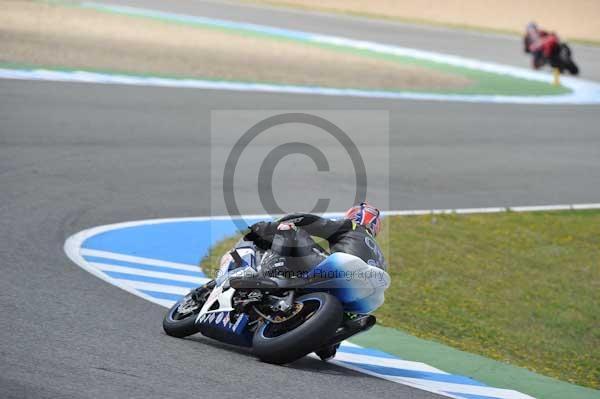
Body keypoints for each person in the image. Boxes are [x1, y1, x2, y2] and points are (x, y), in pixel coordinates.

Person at [243, 202, 385, 361]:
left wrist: (269, 227)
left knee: (290, 229)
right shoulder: (380, 255)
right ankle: (332, 338)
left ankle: (270, 275)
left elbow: (311, 222)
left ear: (354, 216)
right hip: (362, 295)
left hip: (340, 270)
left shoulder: (351, 226)